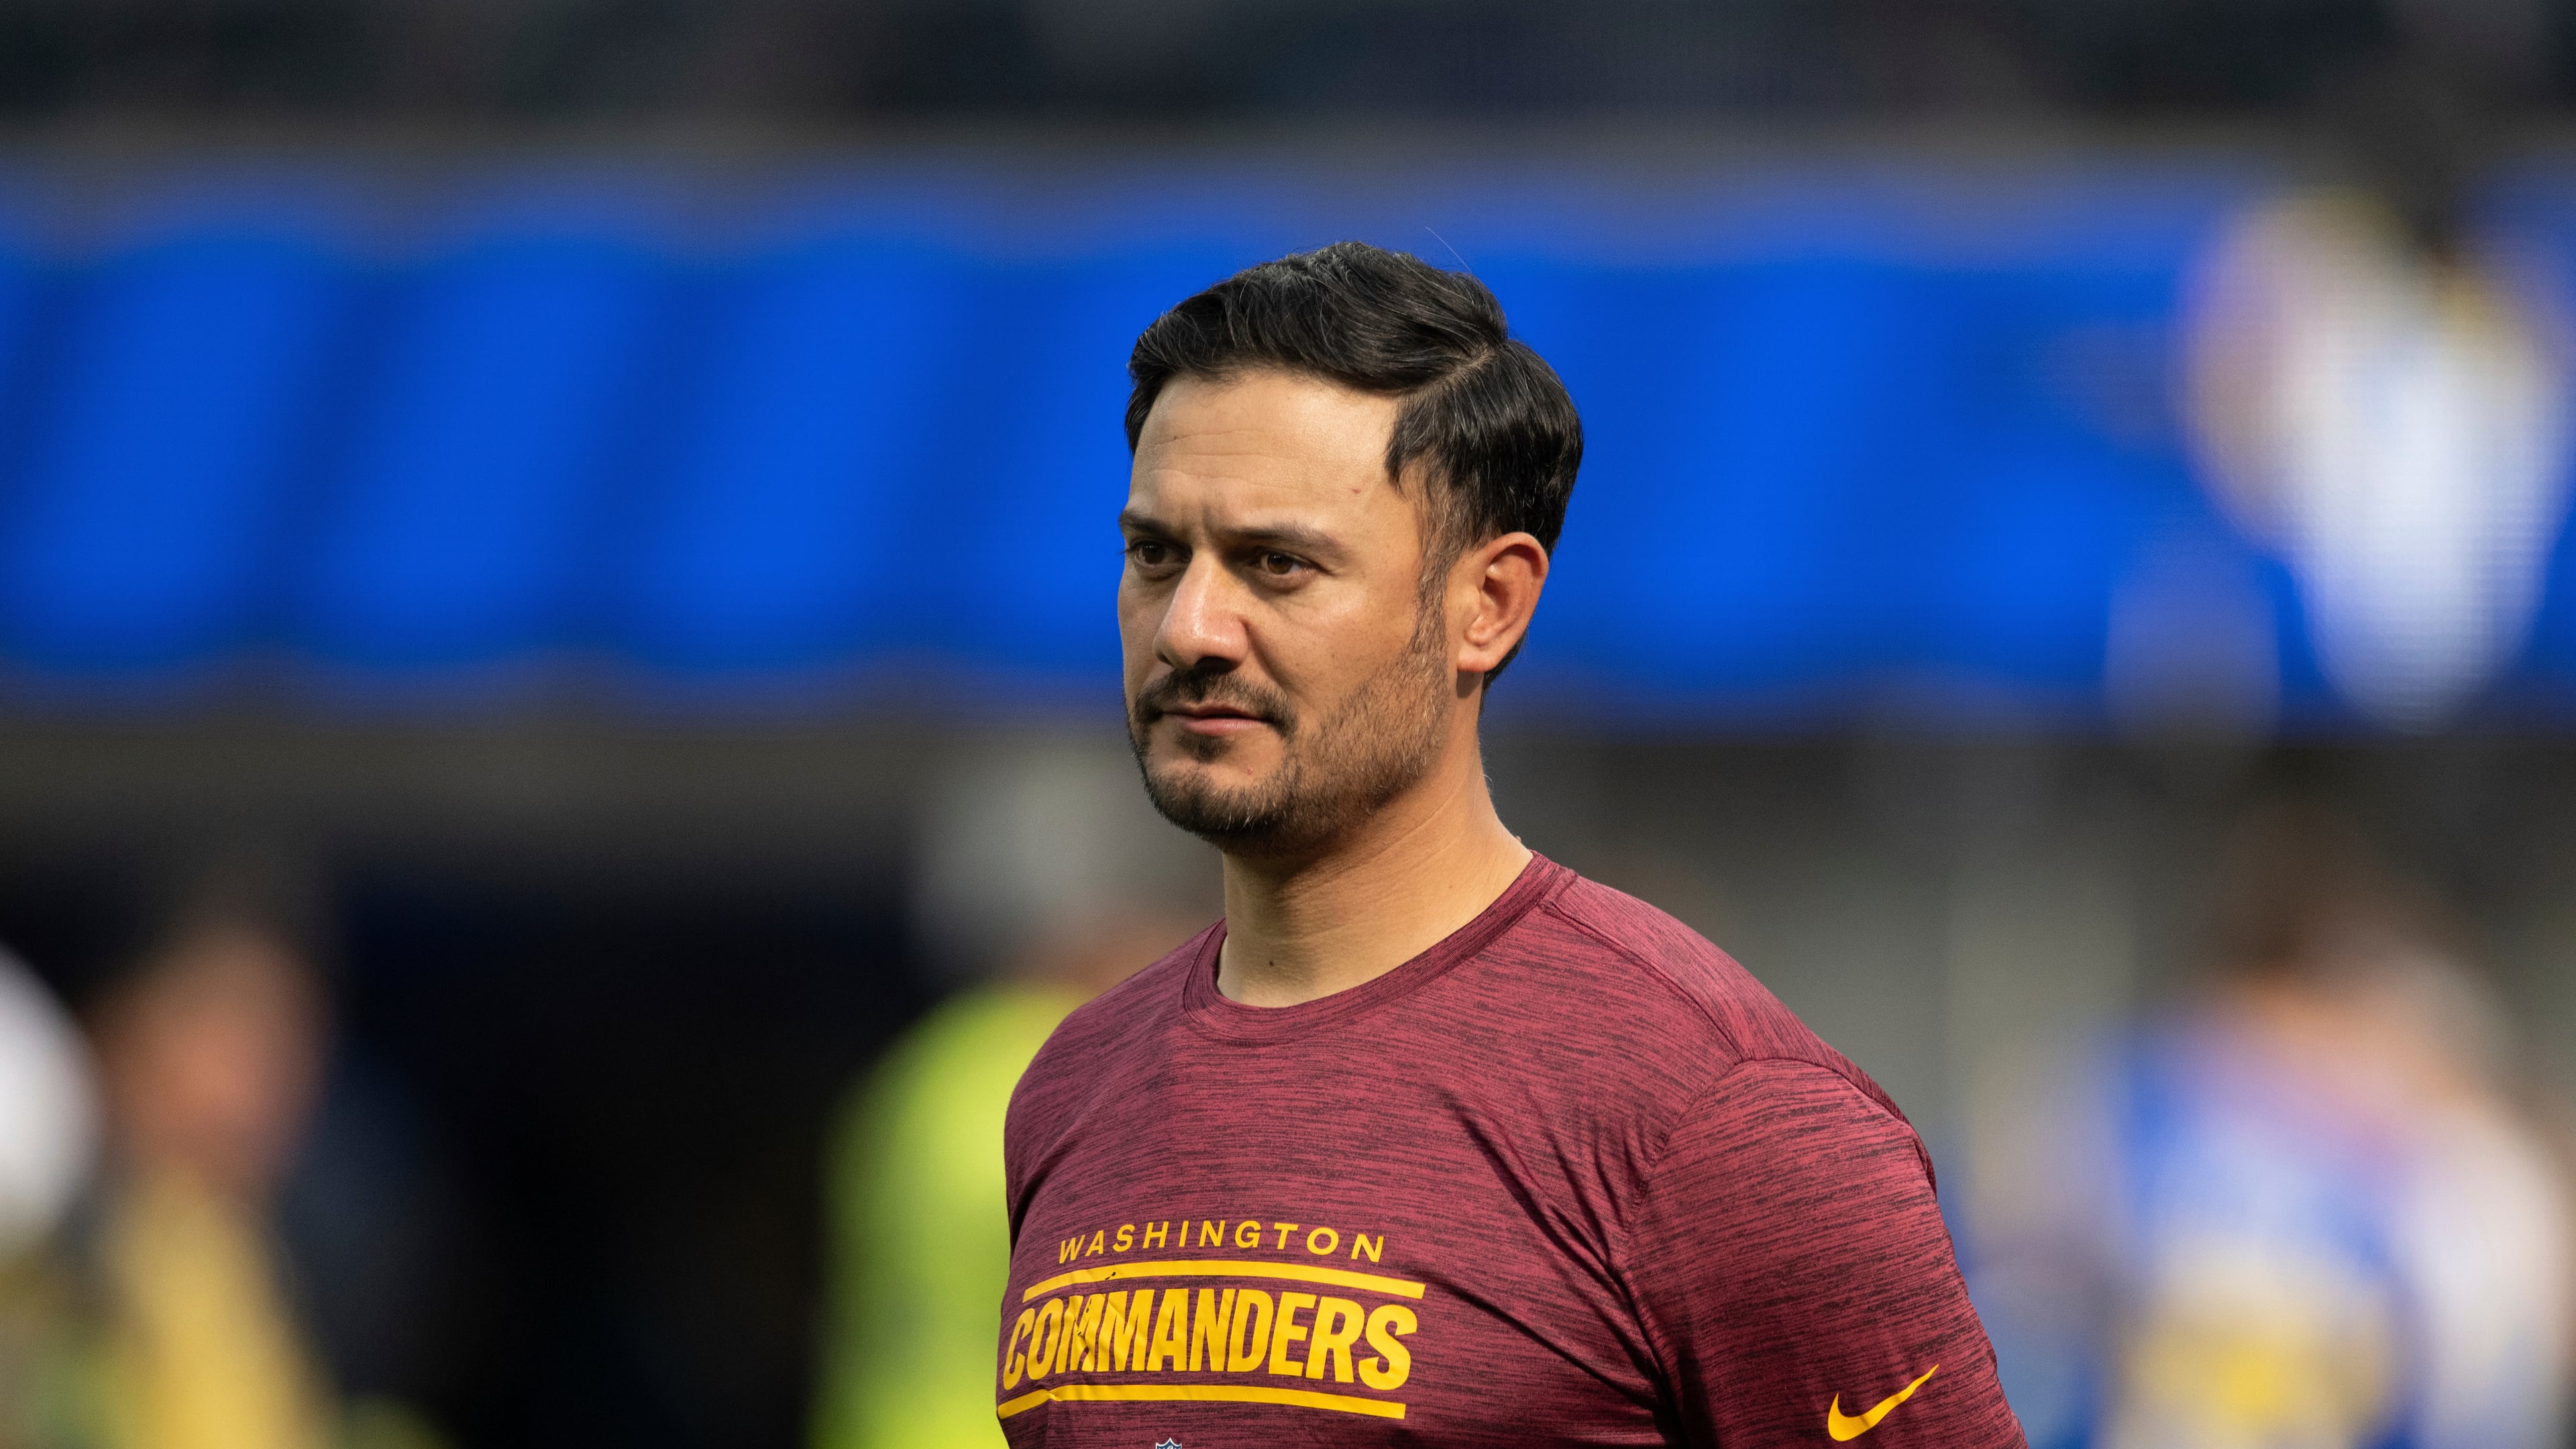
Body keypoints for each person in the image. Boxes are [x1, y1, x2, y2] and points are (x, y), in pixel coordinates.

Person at [994, 242, 2024, 1446]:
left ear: (1488, 604)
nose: (1191, 626)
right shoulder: (1071, 1089)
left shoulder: (1717, 1119)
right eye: (1156, 554)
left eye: (1277, 564)